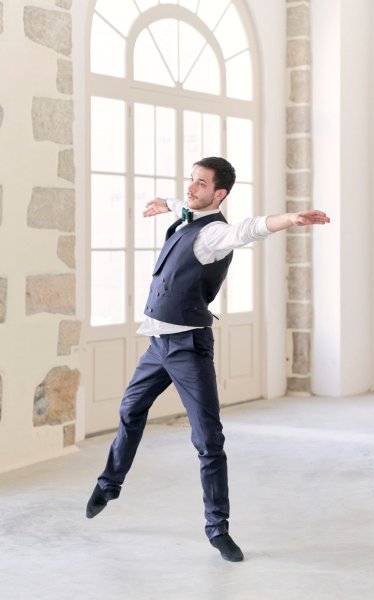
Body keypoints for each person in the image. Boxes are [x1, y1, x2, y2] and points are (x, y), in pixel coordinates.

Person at [86, 156, 330, 562]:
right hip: (158, 343)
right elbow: (180, 203)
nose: (191, 188)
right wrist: (166, 202)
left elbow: (247, 229)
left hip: (187, 347)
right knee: (130, 409)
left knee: (208, 439)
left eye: (201, 184)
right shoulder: (188, 213)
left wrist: (288, 219)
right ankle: (110, 483)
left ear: (220, 194)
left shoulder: (214, 233)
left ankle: (218, 529)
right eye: (191, 180)